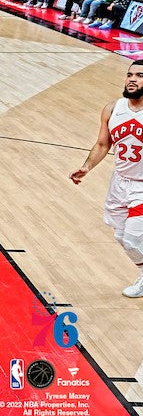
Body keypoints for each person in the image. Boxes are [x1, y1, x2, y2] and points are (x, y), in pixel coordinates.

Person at [70, 60, 143, 298]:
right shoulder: (112, 109)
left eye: (140, 75)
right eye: (129, 74)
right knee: (121, 236)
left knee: (133, 238)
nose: (132, 79)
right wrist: (87, 166)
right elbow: (103, 143)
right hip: (120, 181)